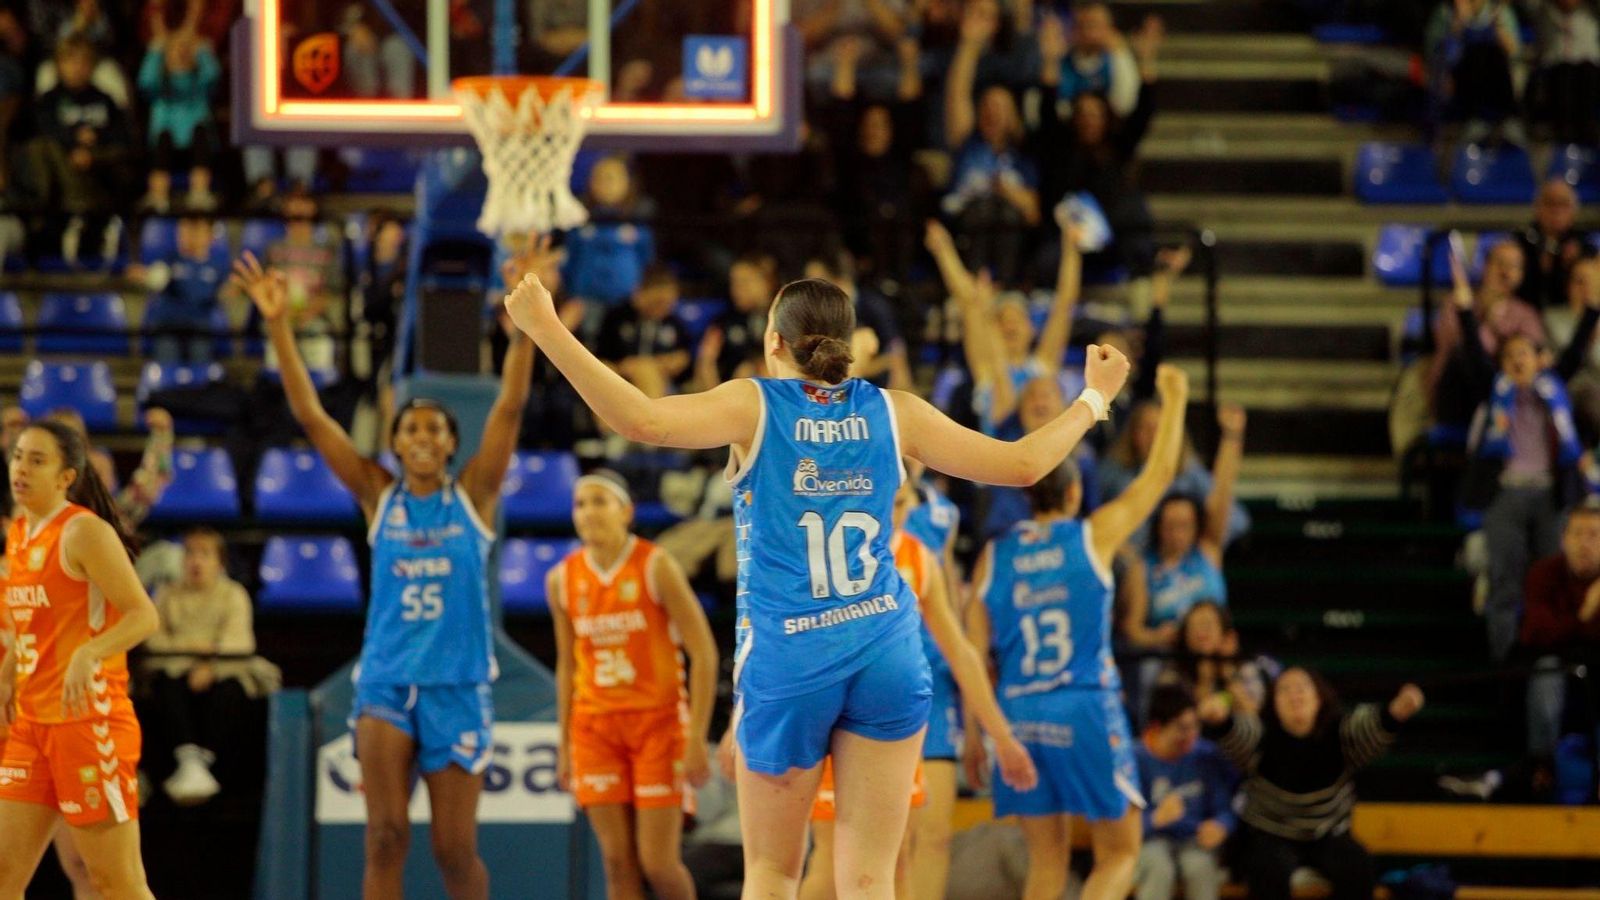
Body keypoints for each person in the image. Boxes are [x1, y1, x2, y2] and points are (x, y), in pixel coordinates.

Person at [504, 270, 1130, 900]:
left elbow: (639, 420)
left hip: (791, 655)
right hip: (885, 648)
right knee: (869, 879)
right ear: (849, 341)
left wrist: (546, 328)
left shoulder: (753, 405)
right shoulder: (894, 409)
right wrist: (1095, 398)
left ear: (774, 342)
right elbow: (1021, 465)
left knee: (774, 874)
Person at [233, 248, 534, 900]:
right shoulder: (378, 494)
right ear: (394, 444)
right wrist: (279, 325)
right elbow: (312, 415)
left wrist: (526, 327)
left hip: (458, 686)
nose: (421, 436)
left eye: (433, 428)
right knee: (384, 837)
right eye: (409, 428)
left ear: (452, 443)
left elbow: (508, 407)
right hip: (387, 682)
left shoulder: (474, 496)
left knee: (454, 852)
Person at [966, 364, 1191, 900]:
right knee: (1120, 854)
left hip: (1018, 715)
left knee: (1046, 864)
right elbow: (1157, 477)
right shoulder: (1094, 534)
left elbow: (973, 654)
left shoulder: (993, 557)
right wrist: (1176, 400)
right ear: (1072, 497)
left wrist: (977, 732)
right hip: (1083, 705)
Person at [802, 481, 1035, 900]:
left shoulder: (918, 556)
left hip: (898, 720)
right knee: (827, 867)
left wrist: (1002, 736)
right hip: (836, 723)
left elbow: (962, 653)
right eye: (886, 501)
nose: (894, 511)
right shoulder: (827, 547)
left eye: (902, 502)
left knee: (899, 861)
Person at [0, 419, 160, 899]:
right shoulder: (22, 532)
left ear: (66, 476)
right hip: (32, 724)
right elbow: (28, 625)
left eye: (37, 459)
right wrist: (8, 675)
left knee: (116, 883)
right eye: (17, 456)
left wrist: (90, 651)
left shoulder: (84, 532)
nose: (21, 468)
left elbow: (143, 616)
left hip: (88, 722)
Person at [549, 470, 718, 900]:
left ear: (625, 511)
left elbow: (703, 652)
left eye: (599, 502)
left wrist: (696, 736)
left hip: (658, 726)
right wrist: (565, 743)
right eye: (580, 504)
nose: (588, 512)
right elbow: (568, 666)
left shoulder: (656, 565)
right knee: (616, 863)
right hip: (595, 728)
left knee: (658, 863)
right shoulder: (562, 580)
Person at [1453, 244, 1599, 662]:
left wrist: (1592, 305)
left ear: (1539, 360)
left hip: (1552, 496)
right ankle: (1506, 667)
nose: (1519, 360)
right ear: (1503, 364)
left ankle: (1556, 659)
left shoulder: (1553, 388)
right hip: (1507, 494)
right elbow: (1472, 348)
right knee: (1504, 584)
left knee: (1555, 581)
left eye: (1526, 354)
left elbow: (1573, 353)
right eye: (1510, 356)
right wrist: (1465, 307)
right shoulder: (1494, 390)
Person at [1201, 670, 1425, 900]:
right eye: (1284, 690)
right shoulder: (1262, 735)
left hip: (1328, 832)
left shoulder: (1341, 733)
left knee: (1357, 866)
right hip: (1271, 833)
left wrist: (1396, 712)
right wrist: (1221, 720)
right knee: (1268, 869)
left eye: (1302, 688)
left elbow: (1369, 726)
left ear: (1318, 698)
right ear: (1274, 704)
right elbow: (1238, 733)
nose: (1294, 695)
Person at [141, 527, 280, 805]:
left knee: (230, 690)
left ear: (220, 562)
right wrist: (199, 649)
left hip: (225, 674)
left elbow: (239, 643)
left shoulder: (234, 594)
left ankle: (203, 765)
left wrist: (209, 665)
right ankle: (187, 760)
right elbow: (154, 642)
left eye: (204, 554)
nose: (196, 561)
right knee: (165, 686)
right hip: (175, 673)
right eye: (190, 553)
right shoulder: (168, 593)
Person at [1125, 406, 1246, 653]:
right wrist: (1157, 637)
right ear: (1158, 528)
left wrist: (1232, 437)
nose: (1176, 533)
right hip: (1169, 661)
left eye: (1184, 526)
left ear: (1195, 528)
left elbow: (1221, 494)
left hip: (1216, 656)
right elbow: (1131, 630)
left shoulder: (1208, 551)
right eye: (1169, 526)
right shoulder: (1143, 567)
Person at [1133, 681, 1236, 900]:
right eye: (1182, 727)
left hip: (1194, 839)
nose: (1191, 735)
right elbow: (1120, 825)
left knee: (1199, 866)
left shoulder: (1206, 755)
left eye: (1195, 726)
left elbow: (1227, 807)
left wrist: (1221, 825)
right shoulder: (1136, 759)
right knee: (1158, 867)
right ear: (1157, 726)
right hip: (1150, 841)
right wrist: (1155, 819)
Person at [1430, 239, 1544, 428]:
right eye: (1500, 263)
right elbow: (1456, 347)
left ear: (1521, 275)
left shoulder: (1526, 314)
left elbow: (1526, 358)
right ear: (1485, 267)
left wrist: (1493, 322)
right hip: (1459, 397)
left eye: (1513, 266)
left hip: (1507, 399)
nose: (1505, 272)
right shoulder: (1457, 303)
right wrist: (1479, 315)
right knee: (1462, 354)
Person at [1520, 499, 1600, 764]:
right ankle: (1540, 769)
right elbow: (1538, 632)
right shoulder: (1543, 573)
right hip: (1556, 666)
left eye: (1593, 535)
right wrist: (1585, 613)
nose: (1584, 543)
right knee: (1547, 677)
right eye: (1576, 534)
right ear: (1564, 539)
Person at [137, 23, 219, 213]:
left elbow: (212, 75)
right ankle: (158, 196)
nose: (181, 54)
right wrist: (155, 52)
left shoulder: (199, 83)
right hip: (166, 146)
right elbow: (145, 81)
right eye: (175, 49)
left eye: (186, 49)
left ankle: (199, 193)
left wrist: (203, 50)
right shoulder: (159, 86)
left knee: (201, 132)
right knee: (163, 137)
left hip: (196, 148)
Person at [131, 211, 226, 364]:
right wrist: (144, 276)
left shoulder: (217, 266)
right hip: (168, 327)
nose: (187, 235)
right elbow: (155, 276)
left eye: (195, 230)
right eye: (183, 230)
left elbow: (224, 291)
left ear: (210, 236)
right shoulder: (170, 259)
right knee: (167, 356)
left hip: (199, 329)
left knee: (200, 355)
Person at [596, 265, 692, 402]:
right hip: (619, 379)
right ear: (641, 293)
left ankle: (653, 416)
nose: (663, 308)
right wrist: (626, 365)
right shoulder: (617, 317)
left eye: (668, 303)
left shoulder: (673, 323)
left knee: (646, 370)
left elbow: (683, 358)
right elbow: (602, 355)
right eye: (658, 302)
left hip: (662, 381)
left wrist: (674, 361)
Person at [1515, 179, 1595, 313]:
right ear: (1537, 207)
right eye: (1550, 203)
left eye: (1563, 204)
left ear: (1574, 210)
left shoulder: (1584, 243)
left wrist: (1577, 261)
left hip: (1571, 315)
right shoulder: (1521, 240)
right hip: (1526, 314)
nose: (1556, 210)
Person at [1533, 0, 1600, 146]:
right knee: (1563, 75)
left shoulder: (1591, 10)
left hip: (1588, 66)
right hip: (1554, 66)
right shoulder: (1544, 9)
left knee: (1585, 73)